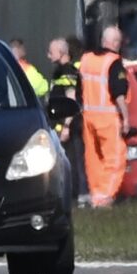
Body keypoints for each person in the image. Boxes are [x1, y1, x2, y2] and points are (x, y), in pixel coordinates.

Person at [80, 26, 130, 208]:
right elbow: (119, 93)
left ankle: (96, 195)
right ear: (115, 43)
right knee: (115, 158)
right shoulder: (113, 62)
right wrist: (126, 118)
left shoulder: (86, 59)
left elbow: (78, 90)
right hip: (108, 117)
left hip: (88, 117)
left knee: (94, 159)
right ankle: (105, 196)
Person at [47, 38, 87, 204]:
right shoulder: (58, 72)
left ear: (62, 52)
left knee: (75, 161)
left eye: (51, 52)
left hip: (71, 125)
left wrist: (66, 126)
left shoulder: (68, 72)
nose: (48, 55)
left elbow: (71, 100)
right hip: (59, 125)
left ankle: (81, 195)